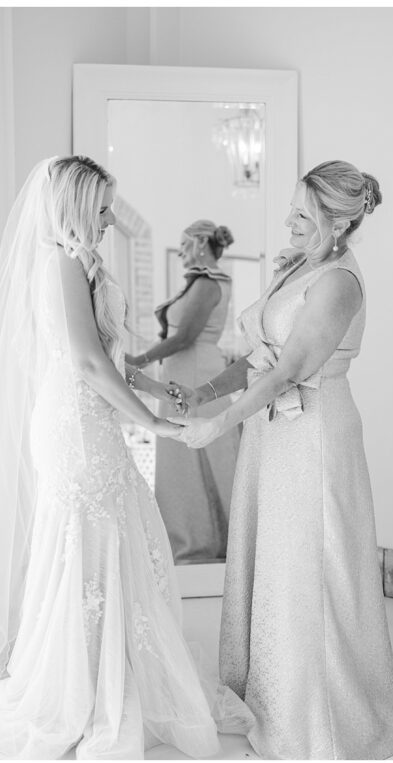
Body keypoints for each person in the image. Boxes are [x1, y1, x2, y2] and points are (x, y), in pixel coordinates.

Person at [0, 156, 253, 759]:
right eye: (99, 210)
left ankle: (114, 672)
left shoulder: (84, 264)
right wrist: (145, 419)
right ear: (72, 207)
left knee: (111, 537)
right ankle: (79, 688)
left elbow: (110, 354)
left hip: (91, 414)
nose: (107, 221)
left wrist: (156, 390)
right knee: (85, 541)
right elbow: (87, 363)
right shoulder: (61, 263)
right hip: (73, 420)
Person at [169, 161, 393, 759]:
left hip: (315, 435)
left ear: (340, 222)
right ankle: (266, 695)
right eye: (292, 209)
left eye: (303, 215)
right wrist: (202, 394)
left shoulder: (338, 283)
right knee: (272, 560)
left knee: (310, 565)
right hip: (273, 431)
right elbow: (260, 354)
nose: (289, 222)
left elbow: (287, 371)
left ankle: (318, 718)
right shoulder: (302, 267)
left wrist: (220, 423)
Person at [128, 220, 238, 563]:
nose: (181, 251)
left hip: (195, 372)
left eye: (185, 244)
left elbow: (184, 337)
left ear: (202, 244)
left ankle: (204, 544)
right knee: (184, 461)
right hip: (183, 368)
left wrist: (140, 360)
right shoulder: (199, 281)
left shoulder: (209, 283)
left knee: (200, 457)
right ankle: (194, 538)